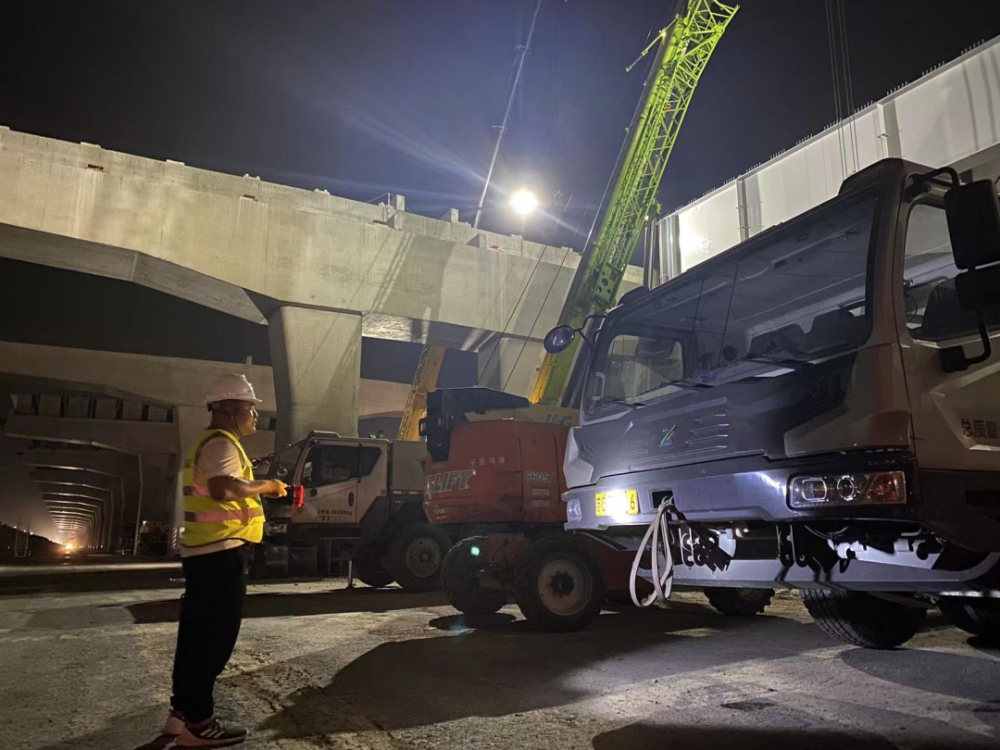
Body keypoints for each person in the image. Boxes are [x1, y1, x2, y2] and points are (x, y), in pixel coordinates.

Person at [162, 374, 287, 747]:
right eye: (251, 408)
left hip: (208, 553)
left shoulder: (211, 442)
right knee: (214, 641)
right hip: (221, 554)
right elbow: (223, 489)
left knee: (195, 639)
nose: (255, 415)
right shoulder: (221, 444)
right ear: (231, 409)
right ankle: (198, 725)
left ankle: (181, 714)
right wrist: (268, 486)